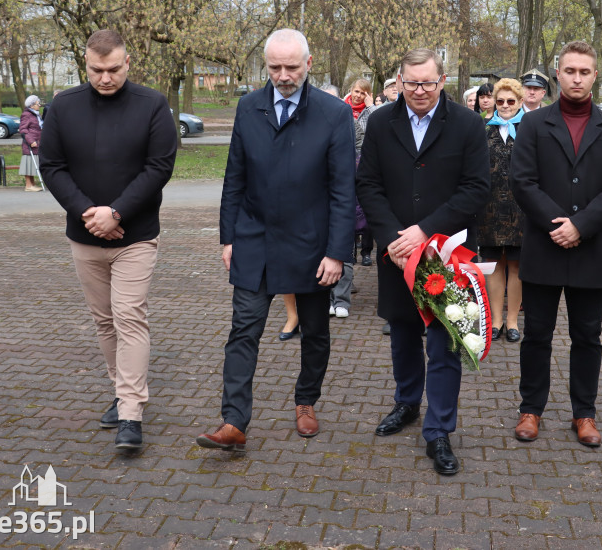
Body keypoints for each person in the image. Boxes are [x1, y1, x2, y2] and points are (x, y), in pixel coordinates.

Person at [196, 29, 355, 452]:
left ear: (309, 63)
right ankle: (233, 420)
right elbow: (235, 177)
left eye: (291, 66)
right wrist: (227, 237)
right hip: (254, 239)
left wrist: (337, 252)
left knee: (315, 332)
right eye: (274, 67)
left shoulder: (334, 113)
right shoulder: (249, 108)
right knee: (243, 330)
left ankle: (306, 401)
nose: (283, 76)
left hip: (311, 243)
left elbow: (343, 190)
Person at [39, 29, 177, 451]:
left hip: (135, 236)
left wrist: (115, 213)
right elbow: (52, 166)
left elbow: (159, 167)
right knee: (104, 320)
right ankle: (122, 391)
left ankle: (131, 413)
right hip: (85, 236)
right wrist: (89, 214)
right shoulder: (63, 106)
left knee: (129, 315)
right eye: (97, 70)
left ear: (128, 62)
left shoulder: (152, 105)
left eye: (113, 69)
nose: (105, 77)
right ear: (86, 64)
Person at [356, 48, 490, 476]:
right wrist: (392, 237)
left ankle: (439, 430)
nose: (418, 90)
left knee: (446, 339)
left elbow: (475, 188)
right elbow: (368, 183)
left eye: (427, 83)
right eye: (411, 82)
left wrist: (426, 231)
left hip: (446, 254)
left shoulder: (468, 125)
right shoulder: (380, 122)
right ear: (399, 79)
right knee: (403, 332)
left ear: (442, 80)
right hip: (396, 253)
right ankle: (407, 403)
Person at [509, 40, 602, 447]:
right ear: (557, 75)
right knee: (537, 334)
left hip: (590, 248)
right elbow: (522, 182)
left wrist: (580, 226)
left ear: (595, 75)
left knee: (587, 336)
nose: (577, 78)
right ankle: (531, 409)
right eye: (569, 71)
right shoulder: (533, 124)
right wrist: (555, 224)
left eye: (584, 72)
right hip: (543, 246)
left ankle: (584, 414)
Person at [479, 78, 525, 343]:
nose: (505, 106)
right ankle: (495, 320)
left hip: (521, 210)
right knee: (494, 264)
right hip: (489, 207)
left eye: (511, 101)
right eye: (500, 101)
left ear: (519, 102)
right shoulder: (484, 129)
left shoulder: (530, 130)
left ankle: (512, 320)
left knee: (516, 265)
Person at [18, 95, 44, 192]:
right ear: (32, 105)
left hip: (37, 142)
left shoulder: (35, 114)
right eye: (38, 103)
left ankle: (32, 184)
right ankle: (28, 185)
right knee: (29, 163)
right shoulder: (27, 115)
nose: (40, 105)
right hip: (30, 143)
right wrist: (31, 141)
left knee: (33, 164)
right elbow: (23, 129)